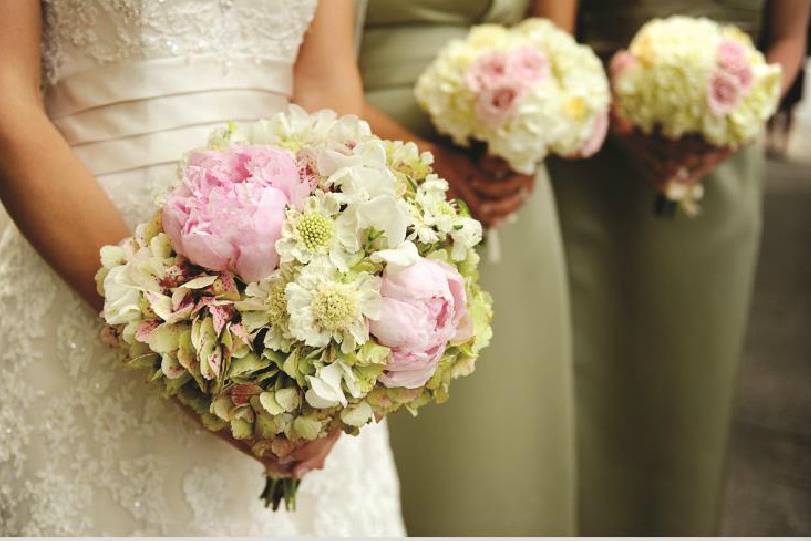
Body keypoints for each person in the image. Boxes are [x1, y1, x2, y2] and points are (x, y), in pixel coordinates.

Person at [0, 1, 404, 535]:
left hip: (291, 292)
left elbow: (326, 92)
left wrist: (343, 359)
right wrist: (167, 333)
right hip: (87, 268)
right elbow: (8, 107)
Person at [540, 0, 811, 535]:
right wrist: (612, 114)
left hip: (723, 154)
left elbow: (787, 42)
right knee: (578, 377)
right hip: (589, 148)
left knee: (688, 378)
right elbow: (553, 32)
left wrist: (736, 121)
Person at [357, 0, 576, 535]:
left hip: (512, 178)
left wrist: (533, 134)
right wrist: (436, 166)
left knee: (513, 421)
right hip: (381, 160)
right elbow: (322, 78)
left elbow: (554, 46)